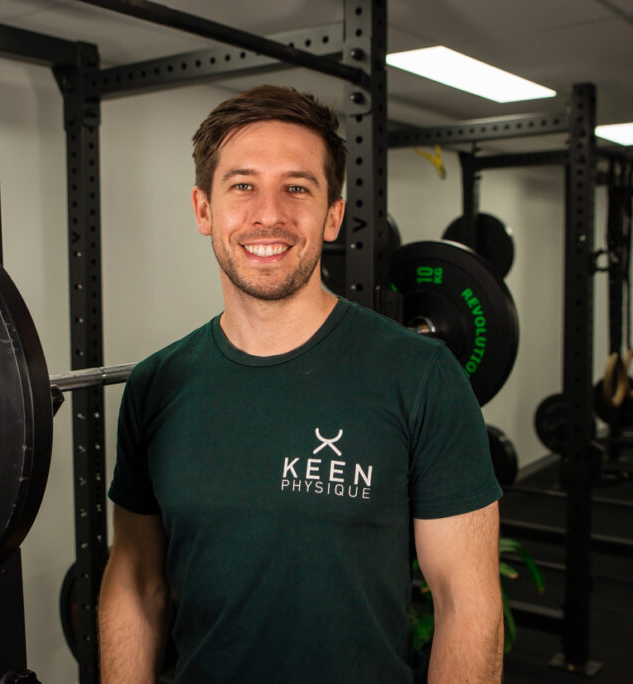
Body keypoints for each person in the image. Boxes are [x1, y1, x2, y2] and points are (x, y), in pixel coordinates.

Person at [98, 84, 503, 683]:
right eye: (242, 186)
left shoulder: (422, 376)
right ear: (203, 209)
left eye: (297, 187)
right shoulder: (156, 384)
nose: (270, 214)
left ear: (332, 215)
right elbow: (136, 583)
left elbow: (466, 604)